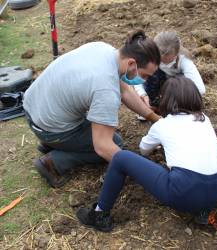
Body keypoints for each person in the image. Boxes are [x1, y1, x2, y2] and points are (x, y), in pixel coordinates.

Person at [76, 76, 217, 232]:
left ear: (166, 100)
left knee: (121, 157)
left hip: (185, 191)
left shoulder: (163, 124)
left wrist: (159, 143)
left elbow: (143, 149)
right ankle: (203, 211)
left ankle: (99, 214)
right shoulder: (205, 119)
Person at [23, 30, 161, 188]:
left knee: (103, 133)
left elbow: (125, 91)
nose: (145, 80)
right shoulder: (105, 89)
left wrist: (154, 118)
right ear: (131, 64)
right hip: (49, 128)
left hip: (33, 107)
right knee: (115, 143)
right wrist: (142, 172)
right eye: (145, 76)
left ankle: (51, 143)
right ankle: (53, 162)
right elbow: (102, 146)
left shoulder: (103, 49)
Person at [134, 31, 205, 109]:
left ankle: (176, 107)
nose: (163, 63)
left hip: (175, 87)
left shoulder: (183, 59)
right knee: (151, 73)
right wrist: (143, 94)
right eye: (160, 60)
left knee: (182, 80)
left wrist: (177, 96)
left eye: (168, 61)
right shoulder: (149, 54)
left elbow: (200, 89)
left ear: (176, 54)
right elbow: (136, 78)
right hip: (158, 84)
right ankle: (151, 104)